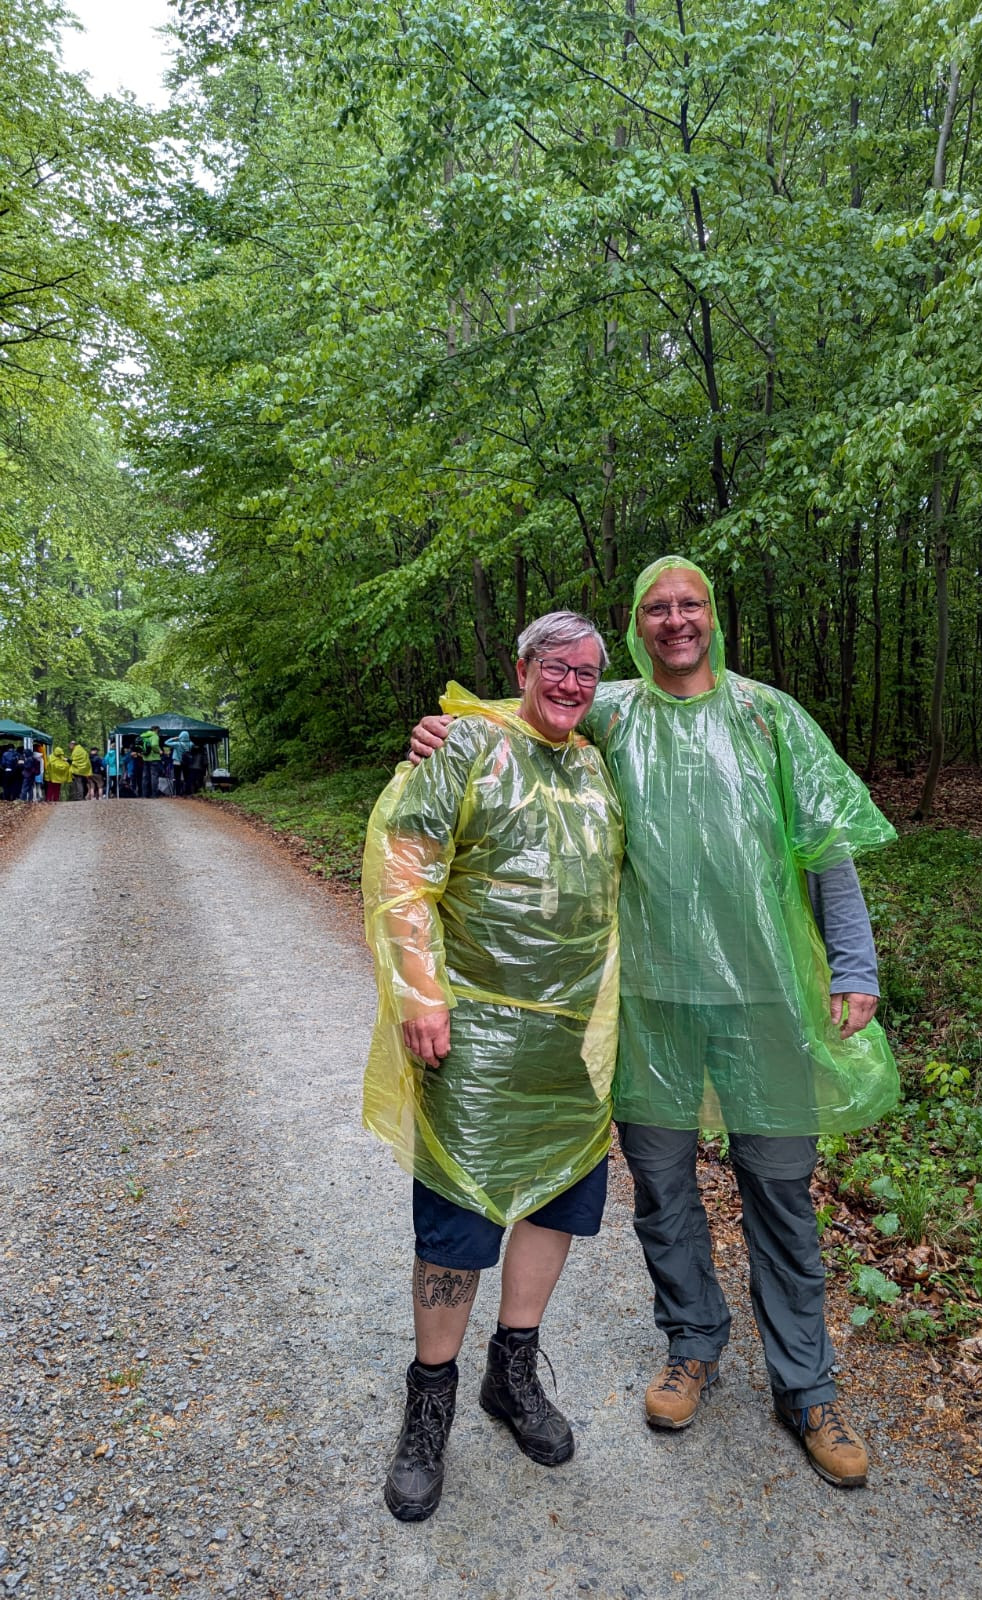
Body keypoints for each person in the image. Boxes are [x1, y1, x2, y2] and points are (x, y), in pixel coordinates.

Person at [411, 558, 899, 1489]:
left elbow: (827, 840)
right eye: (657, 609)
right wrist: (449, 730)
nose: (676, 621)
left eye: (691, 605)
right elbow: (527, 726)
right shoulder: (612, 711)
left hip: (764, 1000)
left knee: (781, 1192)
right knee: (665, 1194)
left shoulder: (770, 716)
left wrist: (854, 963)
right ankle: (693, 1343)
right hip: (645, 1004)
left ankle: (808, 1386)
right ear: (638, 625)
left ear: (714, 615)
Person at [363, 611, 624, 1524]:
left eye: (589, 673)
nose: (571, 685)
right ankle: (428, 1403)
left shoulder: (599, 761)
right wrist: (420, 993)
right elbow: (404, 867)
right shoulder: (466, 745)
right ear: (522, 667)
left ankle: (512, 1376)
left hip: (574, 1041)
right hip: (472, 1035)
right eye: (556, 668)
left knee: (558, 1199)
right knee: (458, 1218)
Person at [139, 726, 163, 797]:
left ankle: (145, 794)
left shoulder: (144, 736)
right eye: (159, 731)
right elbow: (154, 745)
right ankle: (154, 794)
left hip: (145, 758)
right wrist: (159, 751)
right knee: (154, 776)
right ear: (156, 730)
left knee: (145, 776)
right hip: (154, 758)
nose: (159, 732)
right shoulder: (154, 736)